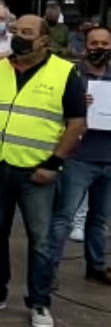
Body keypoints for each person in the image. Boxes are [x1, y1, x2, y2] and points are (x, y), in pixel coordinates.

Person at [0, 15, 87, 327]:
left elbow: (76, 124)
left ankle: (39, 303)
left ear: (44, 40)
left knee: (41, 240)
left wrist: (54, 164)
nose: (18, 37)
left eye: (27, 33)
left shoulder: (65, 73)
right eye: (16, 31)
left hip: (37, 171)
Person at [44, 25, 111, 287]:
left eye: (105, 44)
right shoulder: (72, 76)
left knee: (100, 219)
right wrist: (77, 103)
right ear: (84, 46)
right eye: (94, 44)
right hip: (78, 157)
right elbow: (56, 111)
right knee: (64, 217)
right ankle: (48, 271)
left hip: (108, 156)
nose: (99, 49)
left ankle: (95, 267)